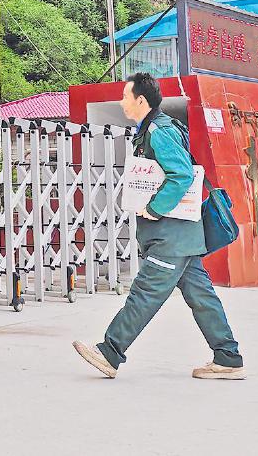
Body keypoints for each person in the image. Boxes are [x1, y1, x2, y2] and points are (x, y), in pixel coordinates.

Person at [73, 72, 245, 380]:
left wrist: (155, 208)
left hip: (171, 237)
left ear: (141, 100)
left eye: (126, 97)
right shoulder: (155, 128)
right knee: (202, 297)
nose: (122, 102)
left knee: (145, 293)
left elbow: (180, 174)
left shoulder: (158, 131)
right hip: (183, 236)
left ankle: (110, 351)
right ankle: (228, 357)